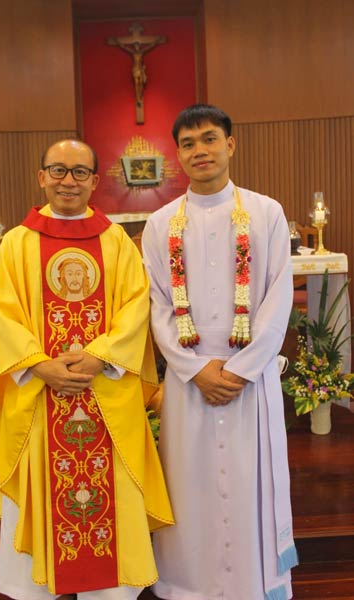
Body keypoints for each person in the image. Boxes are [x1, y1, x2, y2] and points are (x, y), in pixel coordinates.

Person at [0, 139, 173, 600]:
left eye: (80, 172)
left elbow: (135, 306)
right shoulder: (17, 243)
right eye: (58, 170)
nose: (68, 181)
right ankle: (35, 587)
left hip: (105, 392)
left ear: (95, 181)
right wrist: (40, 365)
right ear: (42, 176)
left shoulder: (115, 242)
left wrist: (101, 356)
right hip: (39, 396)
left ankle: (110, 591)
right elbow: (1, 316)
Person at [142, 104, 298, 600]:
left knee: (250, 485)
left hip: (249, 378)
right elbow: (159, 306)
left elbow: (278, 295)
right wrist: (194, 370)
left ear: (230, 144)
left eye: (209, 139)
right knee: (191, 487)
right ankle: (187, 585)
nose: (200, 151)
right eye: (188, 144)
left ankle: (254, 583)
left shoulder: (267, 213)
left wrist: (242, 370)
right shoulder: (159, 224)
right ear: (178, 155)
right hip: (189, 381)